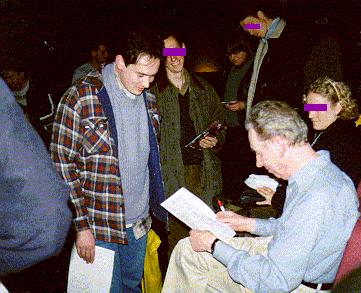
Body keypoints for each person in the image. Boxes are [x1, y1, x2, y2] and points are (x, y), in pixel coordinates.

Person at [162, 100, 359, 292]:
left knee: (190, 259)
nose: (258, 163)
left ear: (279, 144)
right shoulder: (318, 173)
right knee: (187, 249)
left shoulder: (315, 197)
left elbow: (276, 281)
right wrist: (246, 224)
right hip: (285, 261)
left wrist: (213, 246)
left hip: (291, 283)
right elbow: (290, 227)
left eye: (259, 153)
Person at [51, 30, 167, 292]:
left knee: (132, 287)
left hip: (138, 223)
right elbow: (61, 166)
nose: (147, 84)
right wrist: (81, 227)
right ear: (120, 62)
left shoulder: (149, 100)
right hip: (98, 225)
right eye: (141, 75)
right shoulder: (81, 97)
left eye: (152, 76)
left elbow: (150, 161)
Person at [152, 33, 225, 253]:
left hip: (204, 174)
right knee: (181, 244)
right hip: (172, 177)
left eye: (176, 52)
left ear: (183, 49)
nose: (174, 59)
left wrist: (216, 139)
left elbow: (220, 120)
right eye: (167, 54)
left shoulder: (203, 88)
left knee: (209, 238)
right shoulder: (153, 92)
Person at [265, 77, 361, 214]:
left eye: (318, 108)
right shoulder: (339, 132)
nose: (311, 115)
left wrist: (277, 199)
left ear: (338, 107)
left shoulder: (343, 142)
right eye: (309, 107)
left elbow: (318, 191)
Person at [0, 78, 71, 276]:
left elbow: (51, 122)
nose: (9, 78)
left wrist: (167, 51)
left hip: (42, 164)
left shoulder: (39, 92)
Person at [239, 7, 309, 118]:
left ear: (260, 15)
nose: (251, 32)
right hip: (269, 113)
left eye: (251, 25)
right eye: (247, 30)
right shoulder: (264, 44)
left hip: (283, 115)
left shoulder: (292, 37)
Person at [219, 31, 255, 202]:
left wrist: (243, 105)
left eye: (236, 53)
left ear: (245, 50)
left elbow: (262, 98)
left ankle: (240, 201)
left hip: (244, 126)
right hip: (229, 126)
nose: (232, 57)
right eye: (229, 54)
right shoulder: (229, 70)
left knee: (241, 168)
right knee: (228, 167)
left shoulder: (254, 68)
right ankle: (231, 199)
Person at [2, 60, 54, 146]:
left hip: (43, 140)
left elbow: (52, 115)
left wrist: (30, 117)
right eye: (5, 77)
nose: (8, 81)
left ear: (21, 75)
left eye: (11, 77)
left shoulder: (40, 88)